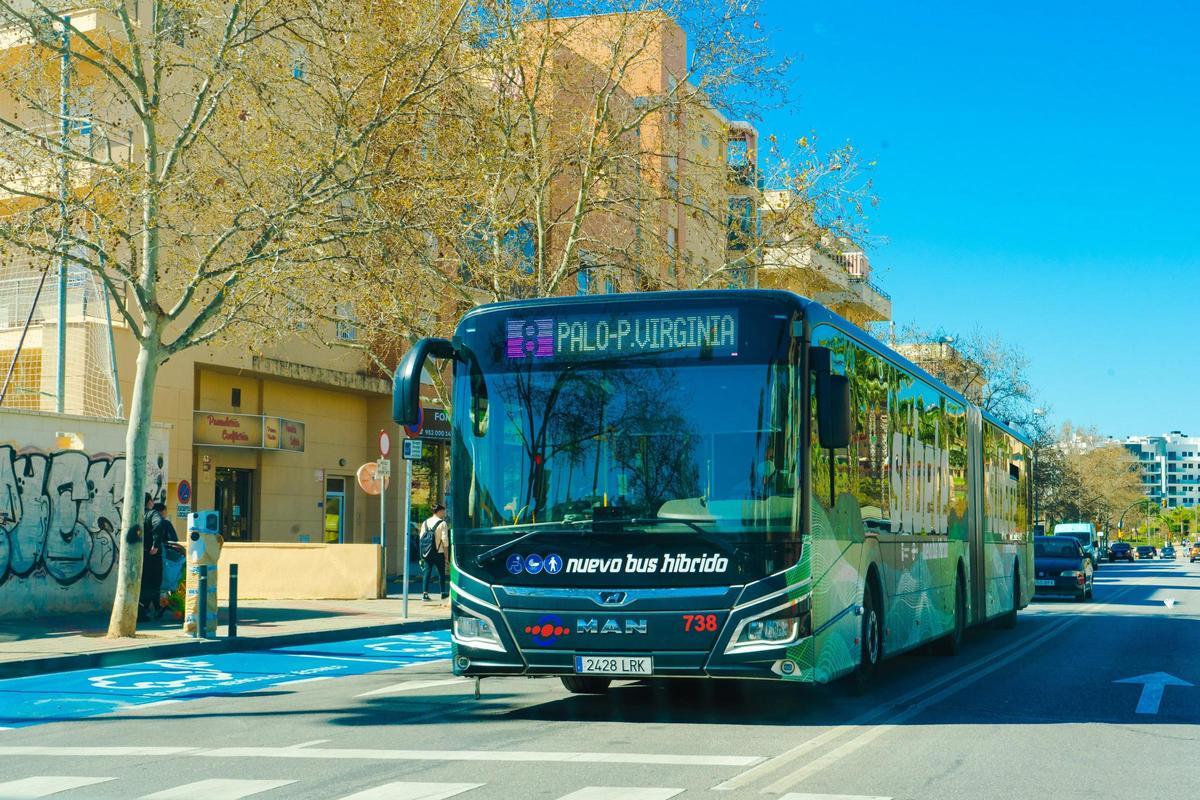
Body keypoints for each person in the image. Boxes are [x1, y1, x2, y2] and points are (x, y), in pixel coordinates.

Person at [138, 494, 164, 620]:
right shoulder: (152, 514)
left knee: (142, 583)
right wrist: (156, 544)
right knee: (153, 582)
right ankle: (145, 611)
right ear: (149, 502)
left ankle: (146, 610)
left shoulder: (134, 514)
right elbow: (158, 524)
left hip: (138, 555)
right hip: (151, 555)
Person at [420, 504, 449, 601]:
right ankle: (443, 593)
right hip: (439, 552)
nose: (444, 513)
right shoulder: (443, 523)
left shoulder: (425, 523)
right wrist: (446, 555)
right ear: (439, 511)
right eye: (443, 511)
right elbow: (445, 540)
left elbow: (421, 538)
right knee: (441, 573)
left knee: (427, 572)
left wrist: (422, 553)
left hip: (427, 552)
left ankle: (425, 594)